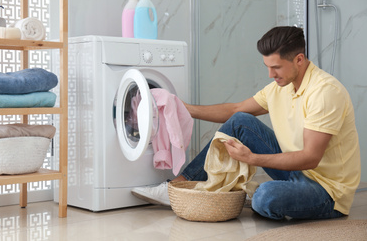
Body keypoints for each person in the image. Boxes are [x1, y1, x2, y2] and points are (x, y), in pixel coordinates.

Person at [131, 26, 361, 220]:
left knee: (264, 197)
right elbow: (235, 110)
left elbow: (311, 157)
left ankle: (268, 196)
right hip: (294, 172)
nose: (271, 74)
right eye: (267, 67)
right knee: (241, 121)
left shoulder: (324, 92)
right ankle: (176, 188)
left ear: (299, 59)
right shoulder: (281, 86)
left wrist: (252, 159)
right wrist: (182, 108)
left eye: (276, 67)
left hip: (327, 192)